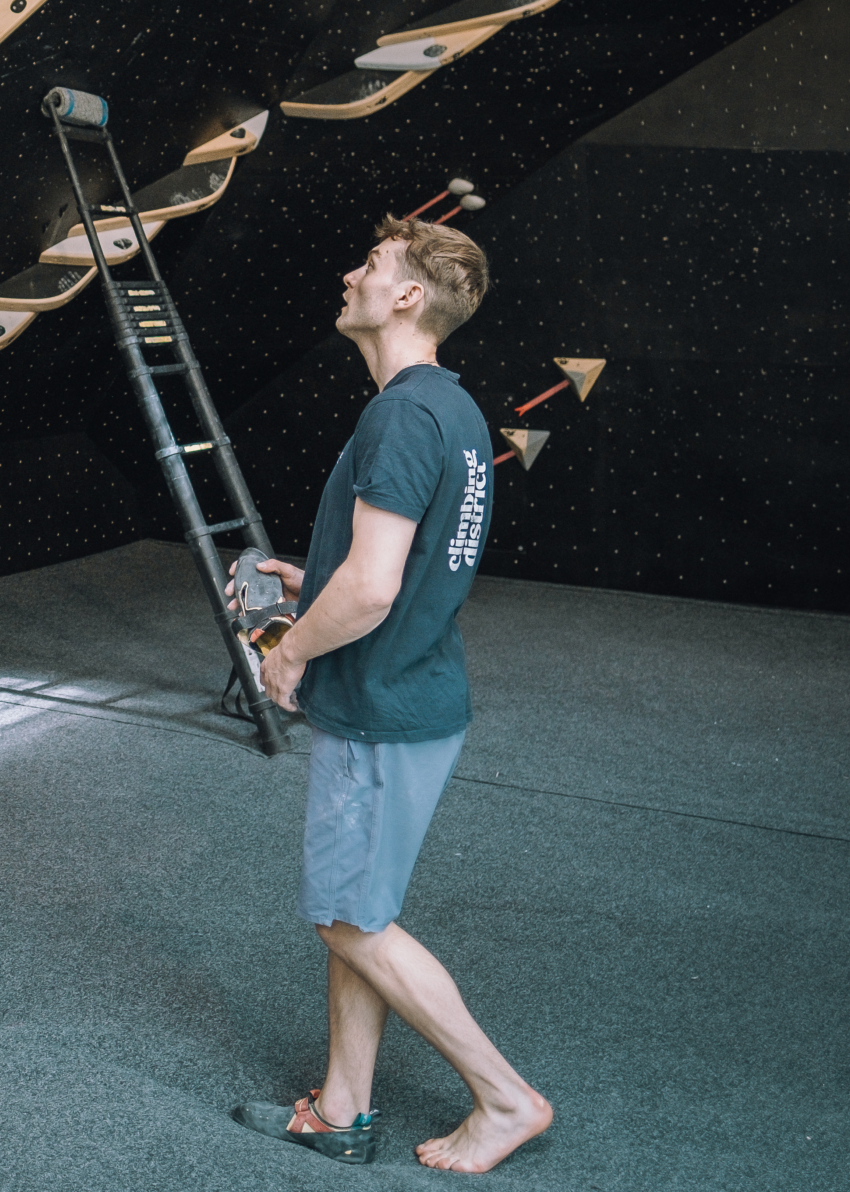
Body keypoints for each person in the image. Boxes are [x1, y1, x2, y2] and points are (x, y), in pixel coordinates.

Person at [229, 217, 552, 1174]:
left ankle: (504, 1097)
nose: (351, 272)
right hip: (414, 696)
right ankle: (341, 1108)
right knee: (358, 912)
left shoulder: (401, 415)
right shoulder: (448, 410)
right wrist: (313, 578)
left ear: (407, 296)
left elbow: (373, 589)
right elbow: (387, 564)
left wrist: (289, 653)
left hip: (380, 706)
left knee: (347, 919)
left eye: (369, 264)